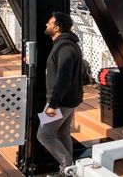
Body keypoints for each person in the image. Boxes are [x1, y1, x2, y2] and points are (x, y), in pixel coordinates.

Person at [36, 11, 84, 171]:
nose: (46, 25)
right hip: (69, 100)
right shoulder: (66, 45)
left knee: (44, 135)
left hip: (60, 102)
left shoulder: (64, 48)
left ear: (56, 28)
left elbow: (63, 78)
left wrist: (53, 104)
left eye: (49, 23)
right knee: (62, 133)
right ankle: (69, 171)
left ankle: (67, 165)